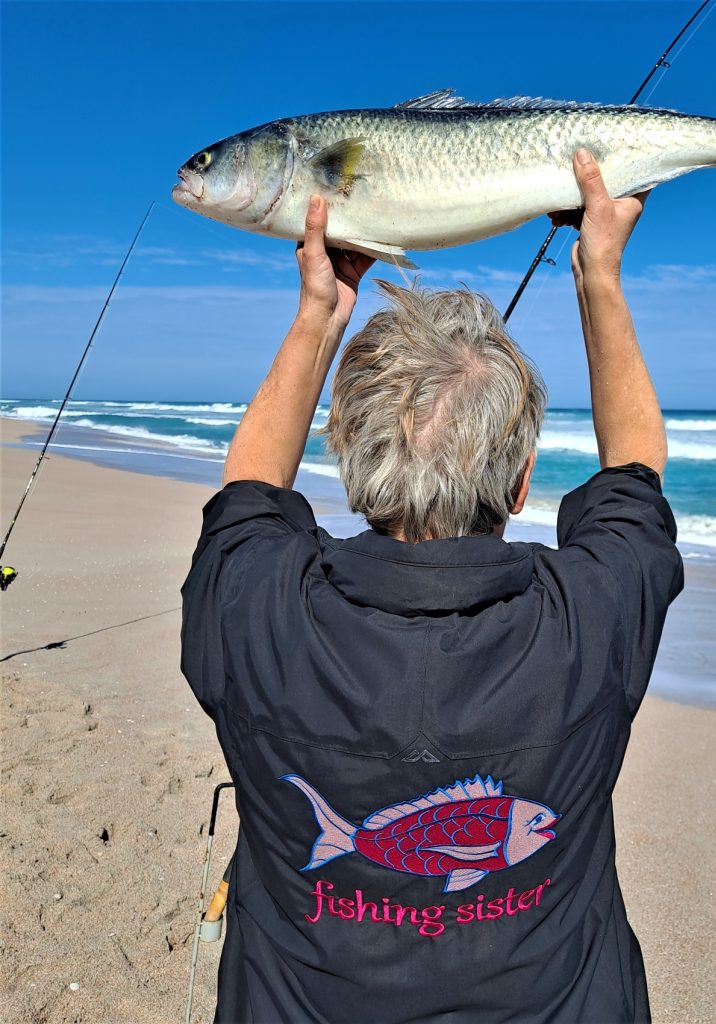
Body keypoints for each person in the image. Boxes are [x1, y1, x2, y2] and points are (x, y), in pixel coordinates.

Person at [181, 149, 684, 1024]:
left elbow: (250, 498)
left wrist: (320, 315)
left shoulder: (254, 604)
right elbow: (635, 474)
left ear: (347, 459)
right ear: (525, 481)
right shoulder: (591, 614)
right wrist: (596, 272)